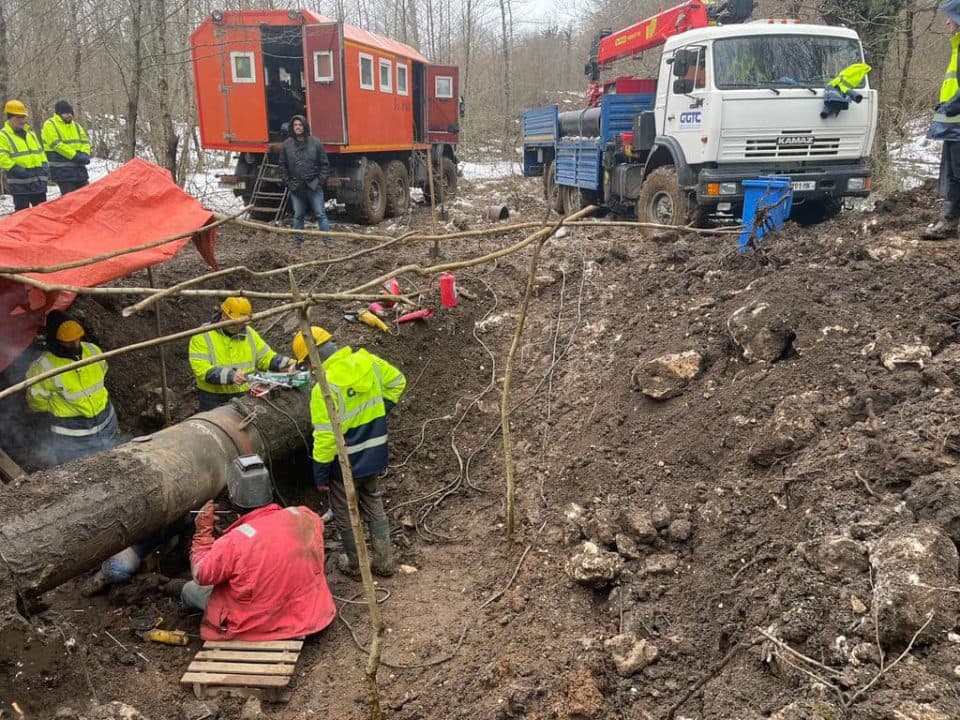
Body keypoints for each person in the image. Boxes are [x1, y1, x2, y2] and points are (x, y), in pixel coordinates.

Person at [292, 326, 406, 577]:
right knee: (373, 500)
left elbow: (325, 438)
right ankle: (384, 561)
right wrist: (379, 412)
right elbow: (398, 381)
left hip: (345, 462)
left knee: (345, 511)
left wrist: (320, 474)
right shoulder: (368, 361)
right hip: (374, 452)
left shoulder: (323, 388)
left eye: (307, 364)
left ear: (312, 358)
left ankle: (356, 564)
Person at [181, 479, 336, 641]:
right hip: (314, 614)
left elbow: (201, 574)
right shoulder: (303, 515)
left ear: (235, 500)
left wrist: (202, 534)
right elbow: (317, 526)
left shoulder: (233, 541)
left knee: (189, 590)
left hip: (260, 624)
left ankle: (178, 604)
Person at [25, 312, 118, 465]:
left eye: (77, 338)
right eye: (68, 342)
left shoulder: (93, 350)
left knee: (112, 462)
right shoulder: (42, 368)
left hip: (106, 424)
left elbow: (103, 372)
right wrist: (59, 408)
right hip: (73, 436)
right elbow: (36, 403)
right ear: (56, 340)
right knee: (79, 470)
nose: (75, 344)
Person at [188, 297, 296, 411]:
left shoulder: (250, 334)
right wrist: (230, 375)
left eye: (243, 323)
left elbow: (266, 357)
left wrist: (287, 364)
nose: (240, 326)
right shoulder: (202, 336)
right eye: (236, 323)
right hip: (213, 399)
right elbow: (201, 369)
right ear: (224, 316)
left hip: (244, 396)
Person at [925, 0, 960, 240]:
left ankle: (948, 222)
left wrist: (952, 105)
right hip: (953, 124)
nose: (947, 22)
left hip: (957, 122)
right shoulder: (957, 47)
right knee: (953, 172)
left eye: (952, 18)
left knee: (957, 173)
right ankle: (948, 220)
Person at [277, 114, 331, 246]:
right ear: (292, 127)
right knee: (298, 215)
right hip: (296, 187)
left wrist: (319, 181)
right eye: (295, 125)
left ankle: (327, 240)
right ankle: (298, 241)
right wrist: (288, 183)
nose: (298, 127)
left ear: (305, 126)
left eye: (300, 125)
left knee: (320, 214)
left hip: (313, 185)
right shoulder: (287, 145)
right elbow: (282, 166)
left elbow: (325, 164)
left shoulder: (316, 143)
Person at [0, 100, 48, 211]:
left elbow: (40, 152)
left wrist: (45, 165)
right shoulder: (3, 135)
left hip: (38, 184)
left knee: (42, 214)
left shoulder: (30, 134)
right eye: (18, 118)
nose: (22, 121)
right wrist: (16, 169)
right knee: (22, 216)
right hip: (20, 185)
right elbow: (2, 157)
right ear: (10, 118)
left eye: (23, 117)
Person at [41, 100, 91, 195]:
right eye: (66, 113)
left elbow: (85, 141)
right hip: (62, 170)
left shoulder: (76, 125)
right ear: (59, 114)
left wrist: (85, 154)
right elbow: (56, 144)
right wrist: (75, 156)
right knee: (70, 199)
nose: (69, 115)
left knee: (87, 196)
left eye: (70, 113)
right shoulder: (50, 124)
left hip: (79, 170)